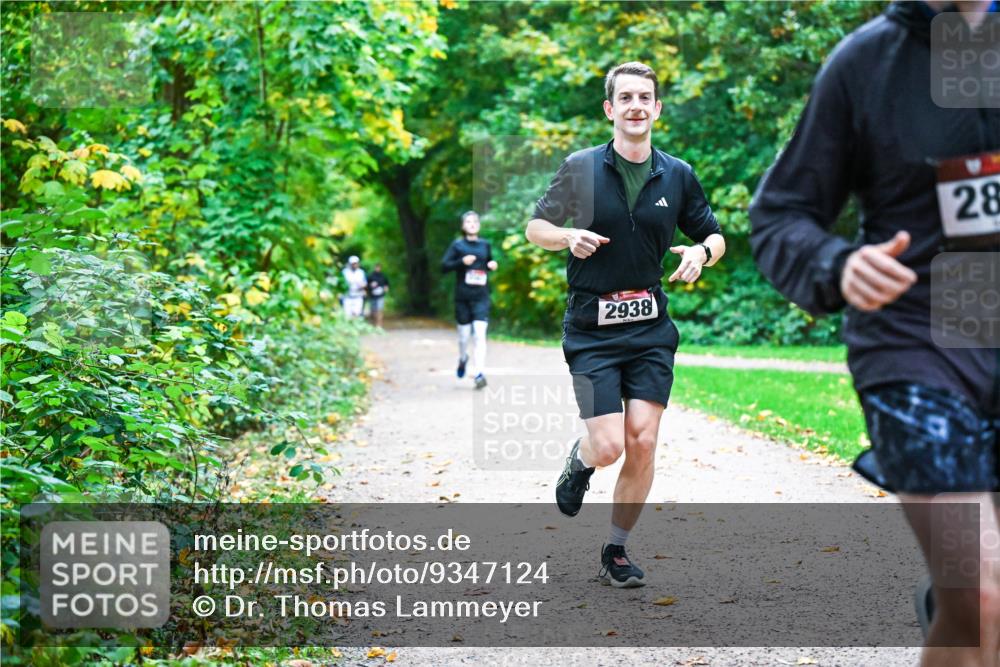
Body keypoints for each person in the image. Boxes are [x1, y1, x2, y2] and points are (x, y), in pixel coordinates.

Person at [748, 2, 999, 664]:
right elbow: (780, 215)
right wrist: (837, 263)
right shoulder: (864, 63)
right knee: (984, 597)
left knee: (977, 613)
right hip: (916, 344)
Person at [525, 62, 725, 587]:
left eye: (646, 97)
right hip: (591, 327)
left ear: (657, 109)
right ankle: (581, 460)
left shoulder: (677, 174)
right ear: (611, 109)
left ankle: (615, 550)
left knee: (643, 440)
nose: (637, 105)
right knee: (609, 444)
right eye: (627, 97)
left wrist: (702, 252)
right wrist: (567, 236)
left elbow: (715, 234)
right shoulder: (581, 167)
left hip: (650, 328)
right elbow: (535, 227)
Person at [440, 211, 497, 389]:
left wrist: (491, 265)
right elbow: (444, 267)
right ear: (463, 226)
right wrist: (461, 262)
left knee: (480, 336)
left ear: (479, 225)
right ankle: (463, 357)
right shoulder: (457, 246)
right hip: (463, 298)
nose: (472, 224)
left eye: (475, 221)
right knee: (464, 337)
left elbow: (488, 262)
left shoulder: (485, 245)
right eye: (468, 222)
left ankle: (479, 373)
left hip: (481, 297)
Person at [367, 263, 390, 328]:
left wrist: (386, 288)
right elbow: (366, 285)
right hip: (372, 296)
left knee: (380, 310)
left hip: (381, 295)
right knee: (373, 310)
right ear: (374, 268)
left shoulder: (383, 276)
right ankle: (374, 323)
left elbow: (386, 284)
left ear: (380, 268)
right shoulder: (370, 276)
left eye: (379, 267)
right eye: (376, 267)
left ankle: (379, 324)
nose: (377, 269)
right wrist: (370, 286)